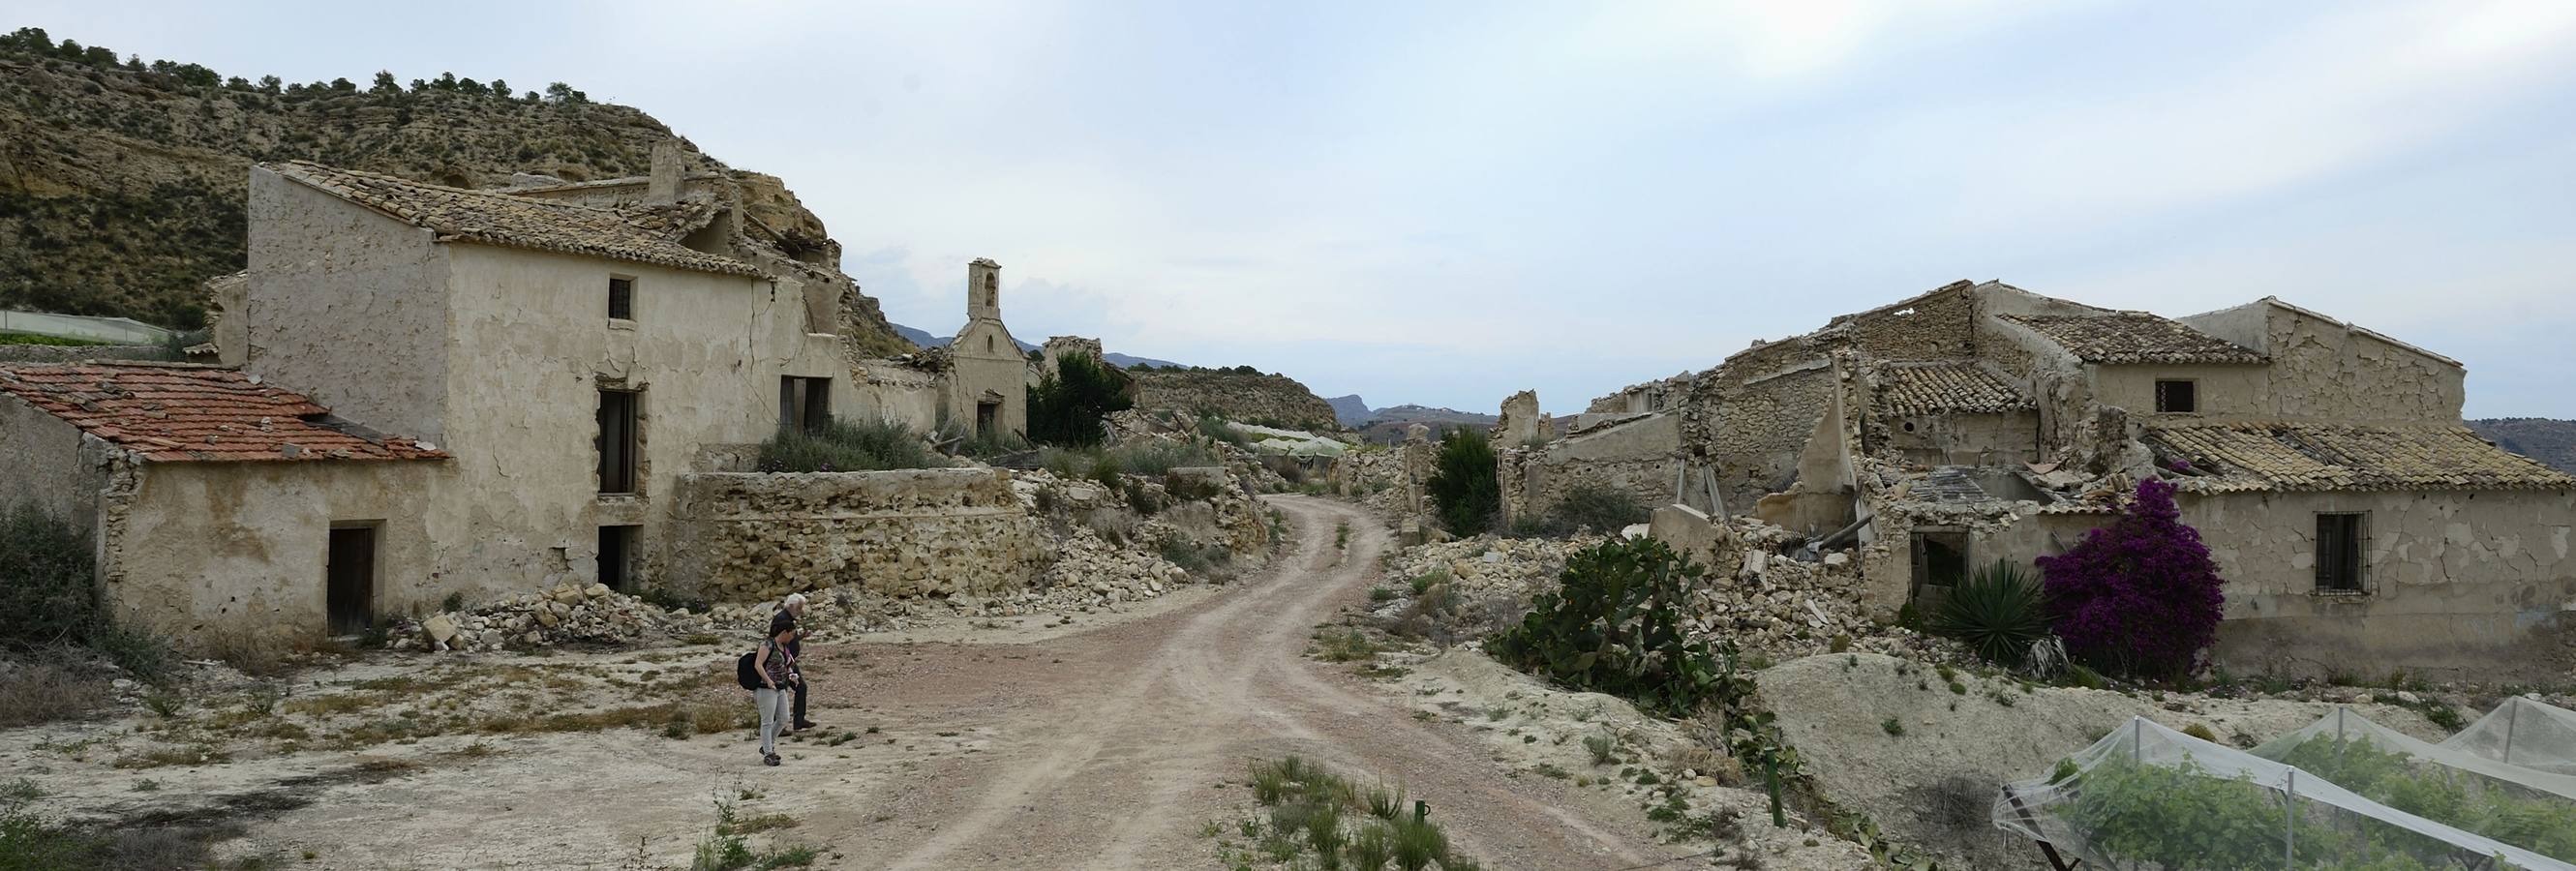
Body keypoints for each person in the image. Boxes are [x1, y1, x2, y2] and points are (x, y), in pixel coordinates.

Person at [752, 621, 798, 766]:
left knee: (784, 718)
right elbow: (758, 664)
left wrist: (791, 676)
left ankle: (767, 746)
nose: (792, 637)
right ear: (784, 632)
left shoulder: (784, 648)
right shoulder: (767, 644)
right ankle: (768, 752)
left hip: (780, 687)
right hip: (765, 688)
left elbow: (786, 665)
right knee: (767, 721)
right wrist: (768, 680)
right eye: (791, 634)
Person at [769, 593, 816, 731]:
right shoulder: (782, 619)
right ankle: (781, 725)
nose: (801, 611)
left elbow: (787, 639)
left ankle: (797, 721)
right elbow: (778, 640)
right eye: (799, 608)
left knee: (796, 689)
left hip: (788, 661)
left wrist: (800, 637)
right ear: (790, 606)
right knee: (782, 691)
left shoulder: (785, 618)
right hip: (783, 662)